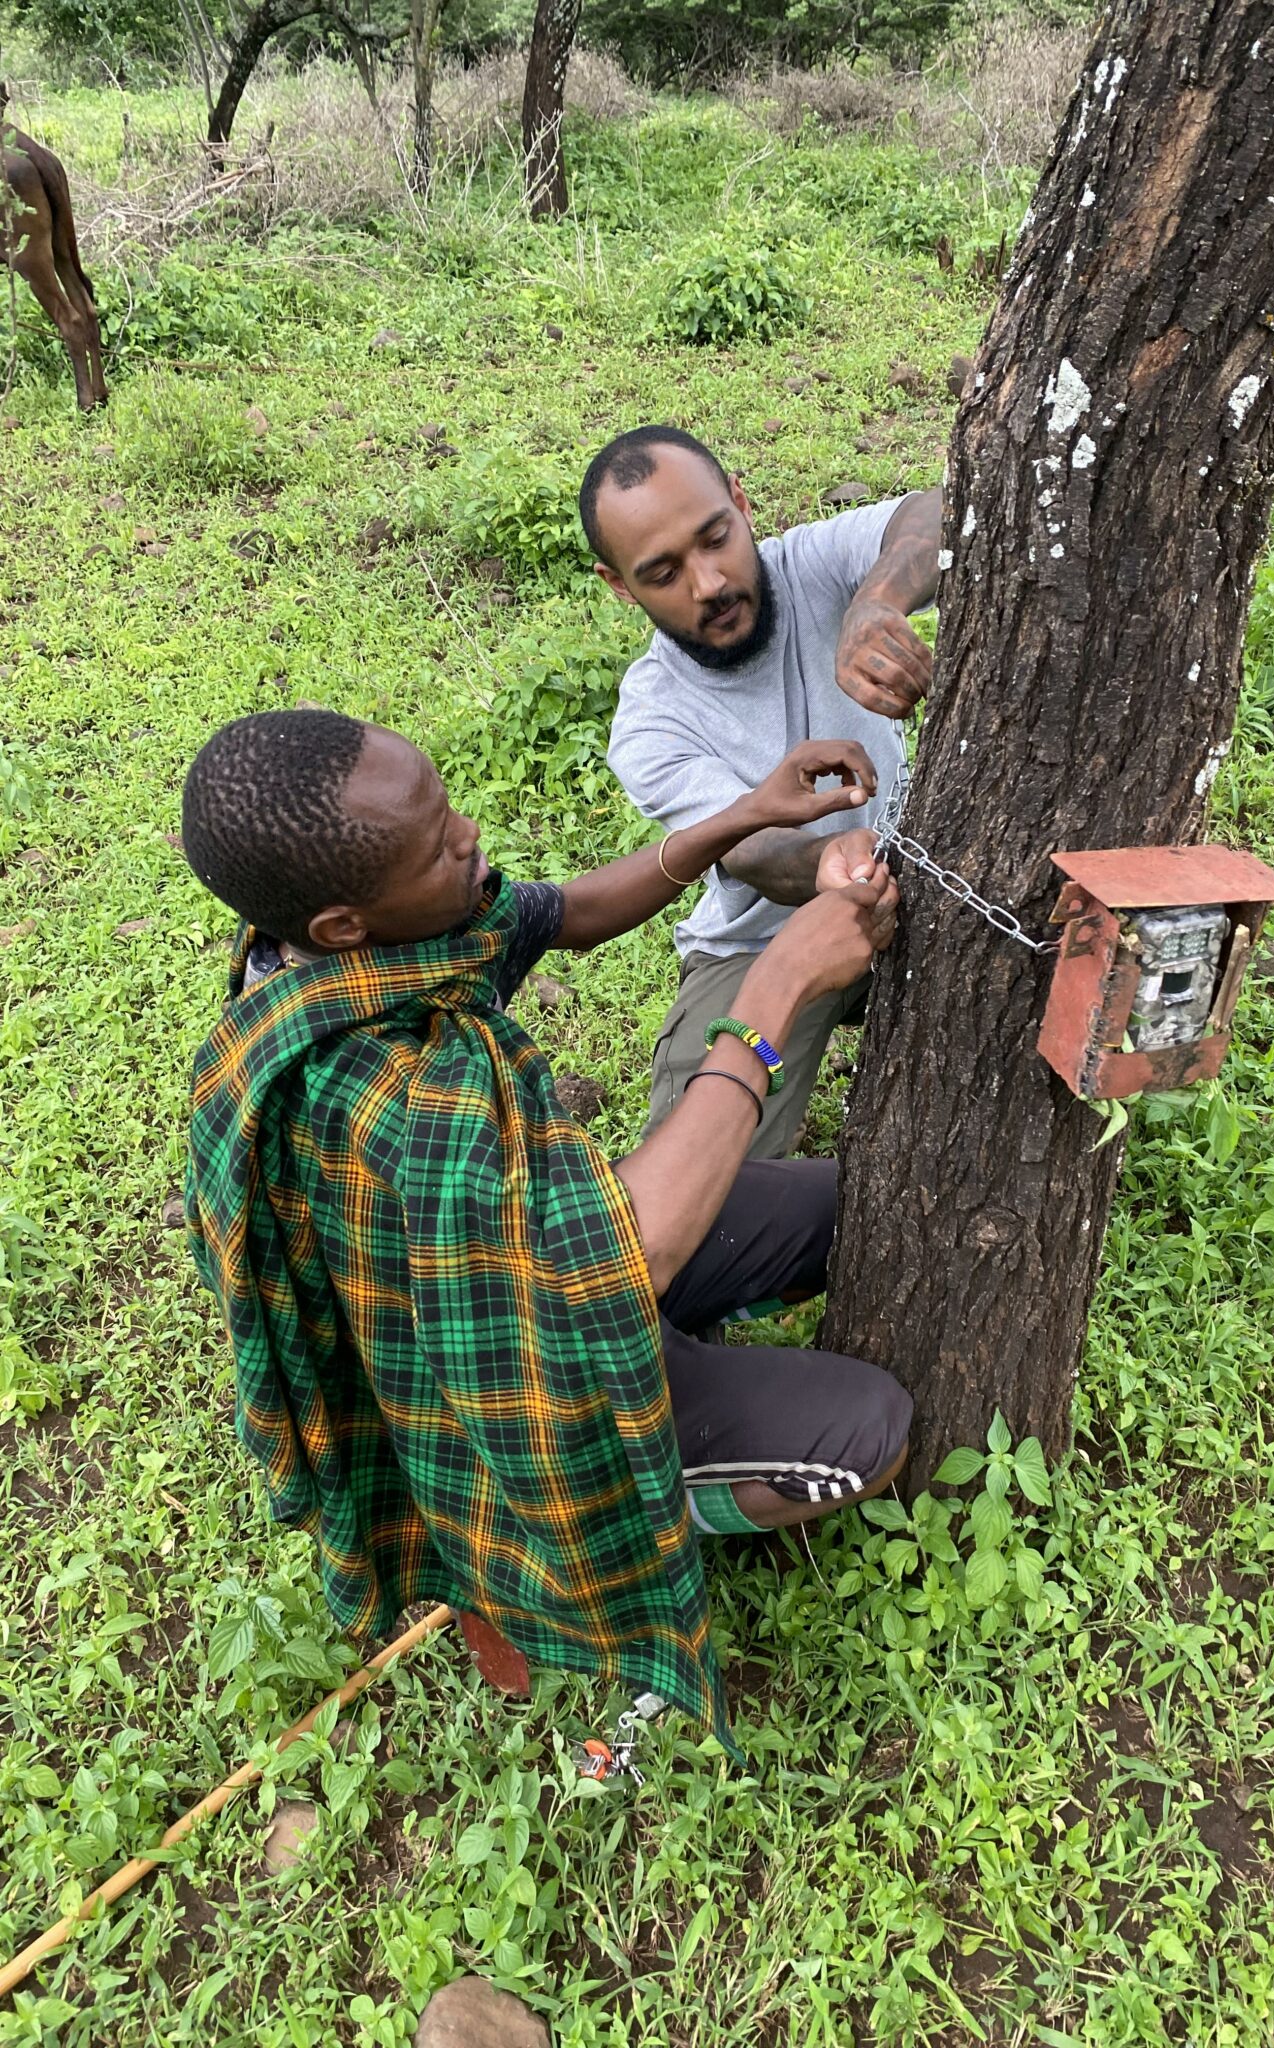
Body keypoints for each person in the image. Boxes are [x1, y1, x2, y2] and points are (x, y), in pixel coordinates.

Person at [179, 707, 912, 1741]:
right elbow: (632, 1249)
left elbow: (558, 911)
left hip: (504, 1268)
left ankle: (675, 1388)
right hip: (496, 1378)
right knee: (868, 1431)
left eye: (448, 806)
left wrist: (745, 814)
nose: (470, 834)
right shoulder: (389, 1091)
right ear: (346, 922)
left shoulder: (364, 945)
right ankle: (583, 1544)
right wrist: (777, 985)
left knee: (842, 1207)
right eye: (438, 842)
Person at [590, 425, 941, 1159]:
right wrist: (824, 861)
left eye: (716, 537)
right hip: (761, 943)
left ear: (742, 505)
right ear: (619, 585)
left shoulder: (812, 564)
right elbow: (748, 850)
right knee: (708, 1179)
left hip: (928, 892)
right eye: (662, 573)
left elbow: (937, 511)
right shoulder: (652, 721)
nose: (709, 583)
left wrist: (876, 602)